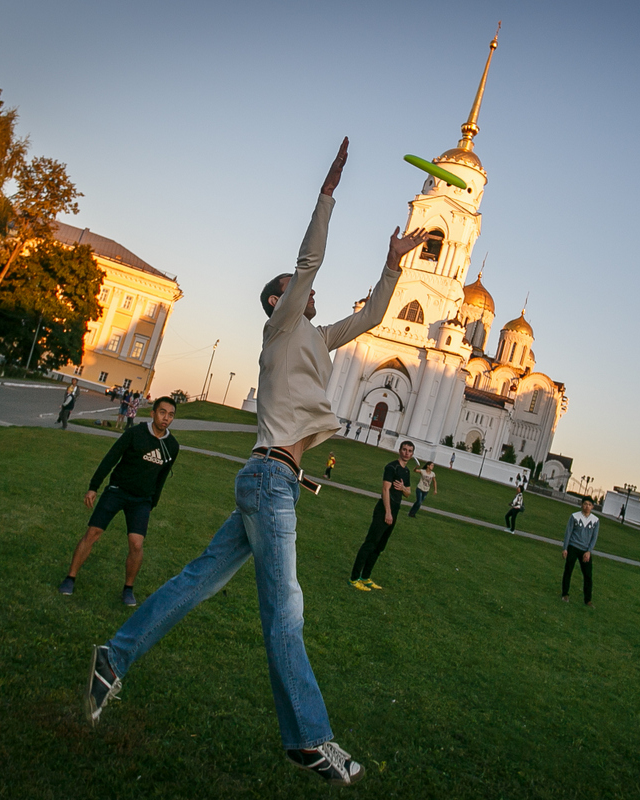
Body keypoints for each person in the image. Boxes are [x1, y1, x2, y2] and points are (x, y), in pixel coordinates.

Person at [82, 139, 427, 787]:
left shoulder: (317, 339)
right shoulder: (281, 325)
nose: (307, 291)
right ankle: (308, 737)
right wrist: (328, 193)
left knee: (194, 581)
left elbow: (377, 315)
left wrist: (391, 264)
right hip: (272, 482)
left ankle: (113, 656)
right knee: (285, 611)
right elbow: (310, 259)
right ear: (278, 301)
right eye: (295, 290)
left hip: (266, 481)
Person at [58, 396, 179, 605]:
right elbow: (111, 458)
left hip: (141, 500)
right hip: (117, 491)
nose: (165, 418)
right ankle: (70, 578)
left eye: (170, 415)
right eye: (162, 412)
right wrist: (93, 487)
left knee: (136, 543)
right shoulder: (134, 433)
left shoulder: (172, 446)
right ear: (153, 413)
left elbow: (161, 478)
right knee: (93, 532)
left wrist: (152, 503)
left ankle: (128, 589)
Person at [350, 441, 414, 589]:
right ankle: (354, 578)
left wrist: (403, 487)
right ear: (399, 450)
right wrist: (388, 512)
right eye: (404, 449)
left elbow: (408, 493)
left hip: (395, 511)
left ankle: (365, 577)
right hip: (384, 510)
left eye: (409, 451)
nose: (406, 453)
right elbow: (385, 490)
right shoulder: (391, 467)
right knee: (370, 543)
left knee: (379, 547)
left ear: (412, 454)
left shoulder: (406, 472)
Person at [561, 497, 600, 607]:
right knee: (568, 571)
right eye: (585, 504)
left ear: (592, 507)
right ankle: (565, 594)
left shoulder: (595, 520)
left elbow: (594, 537)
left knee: (588, 576)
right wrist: (565, 548)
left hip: (585, 551)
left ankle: (588, 600)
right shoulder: (574, 516)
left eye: (589, 504)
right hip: (573, 547)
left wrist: (589, 551)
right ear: (582, 505)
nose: (587, 506)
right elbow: (568, 532)